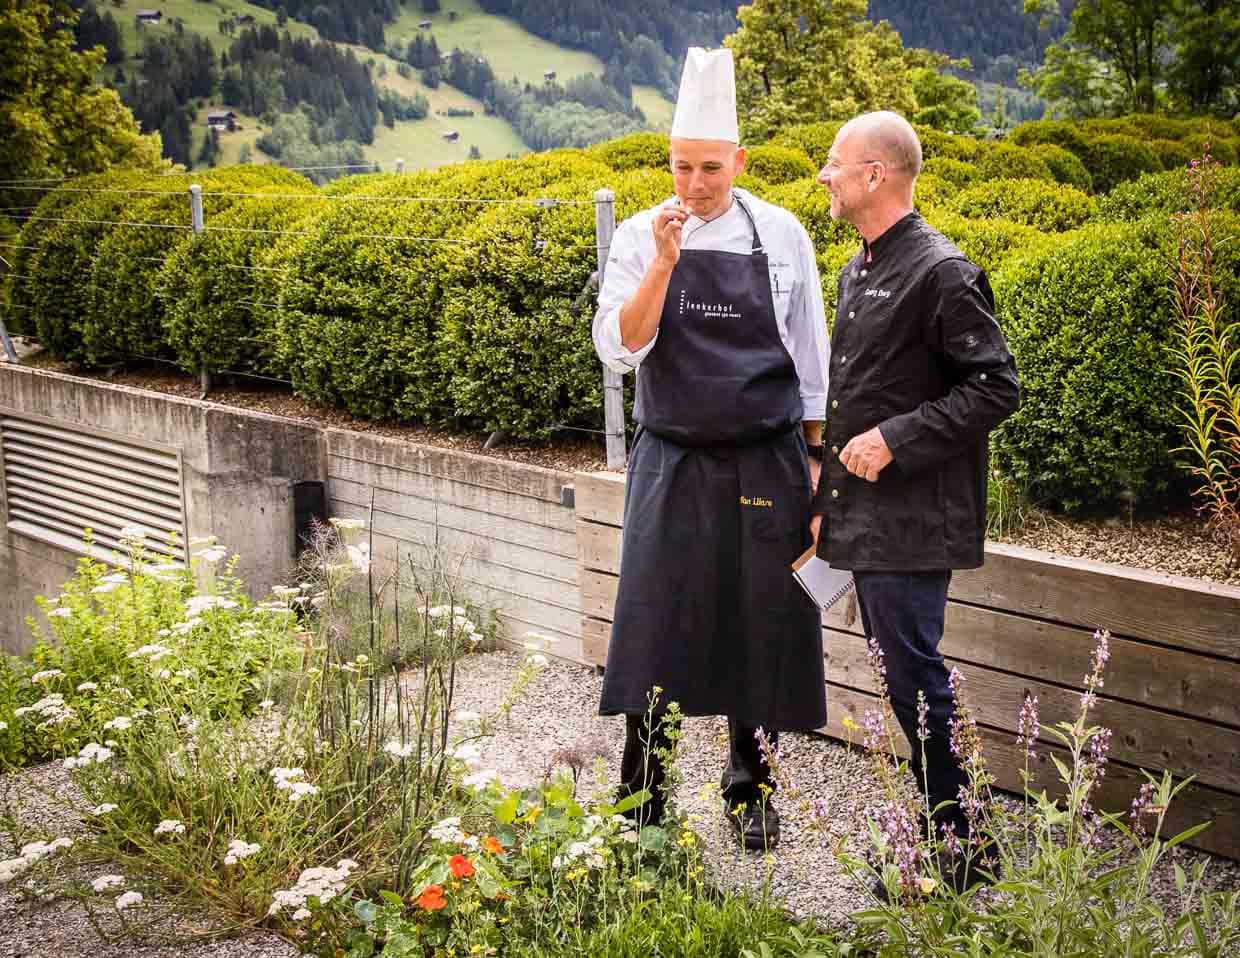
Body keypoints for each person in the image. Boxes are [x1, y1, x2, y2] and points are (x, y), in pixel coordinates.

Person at [592, 48, 831, 850]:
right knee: (654, 624)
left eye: (709, 169)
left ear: (739, 161)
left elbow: (811, 357)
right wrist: (663, 262)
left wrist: (818, 464)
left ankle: (749, 788)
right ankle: (643, 797)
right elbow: (620, 348)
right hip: (672, 456)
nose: (694, 185)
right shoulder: (637, 235)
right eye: (681, 167)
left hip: (767, 457)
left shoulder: (783, 234)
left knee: (759, 621)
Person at [813, 111, 1020, 887]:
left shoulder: (942, 270)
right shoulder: (859, 268)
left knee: (916, 680)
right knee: (906, 681)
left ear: (875, 174)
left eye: (835, 164)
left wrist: (897, 436)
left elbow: (997, 386)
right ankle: (951, 839)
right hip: (862, 515)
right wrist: (825, 494)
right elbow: (852, 394)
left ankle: (965, 852)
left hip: (914, 520)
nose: (824, 177)